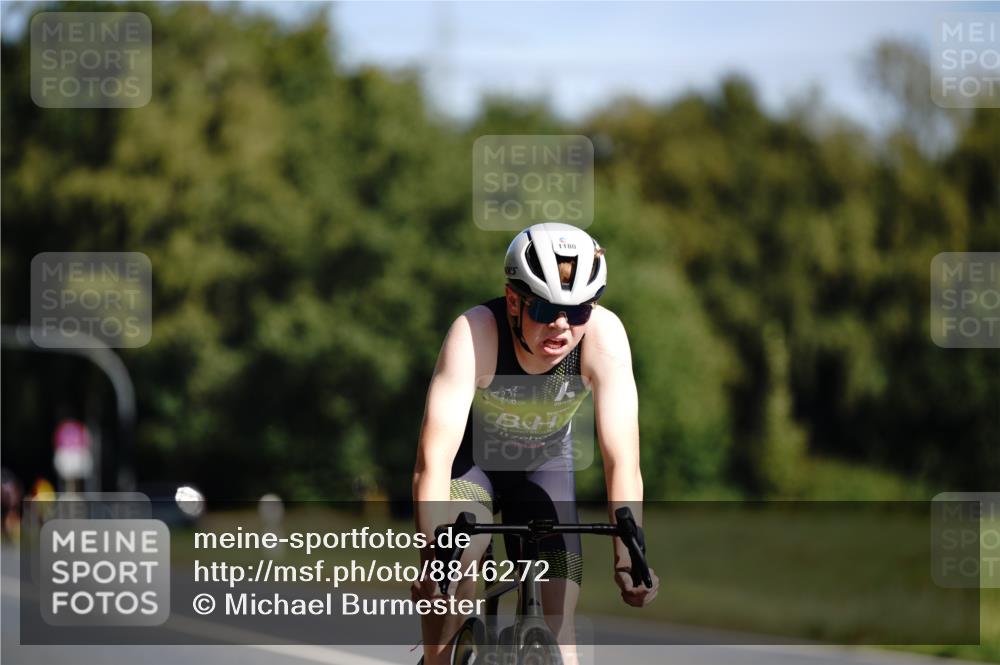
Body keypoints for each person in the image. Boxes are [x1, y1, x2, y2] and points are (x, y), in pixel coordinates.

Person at [411, 222, 659, 665]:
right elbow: (433, 459)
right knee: (456, 571)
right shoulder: (475, 333)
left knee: (561, 621)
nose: (563, 327)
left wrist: (629, 557)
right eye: (545, 310)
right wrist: (433, 554)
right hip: (474, 467)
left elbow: (622, 459)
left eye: (579, 311)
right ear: (513, 300)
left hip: (545, 467)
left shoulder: (605, 337)